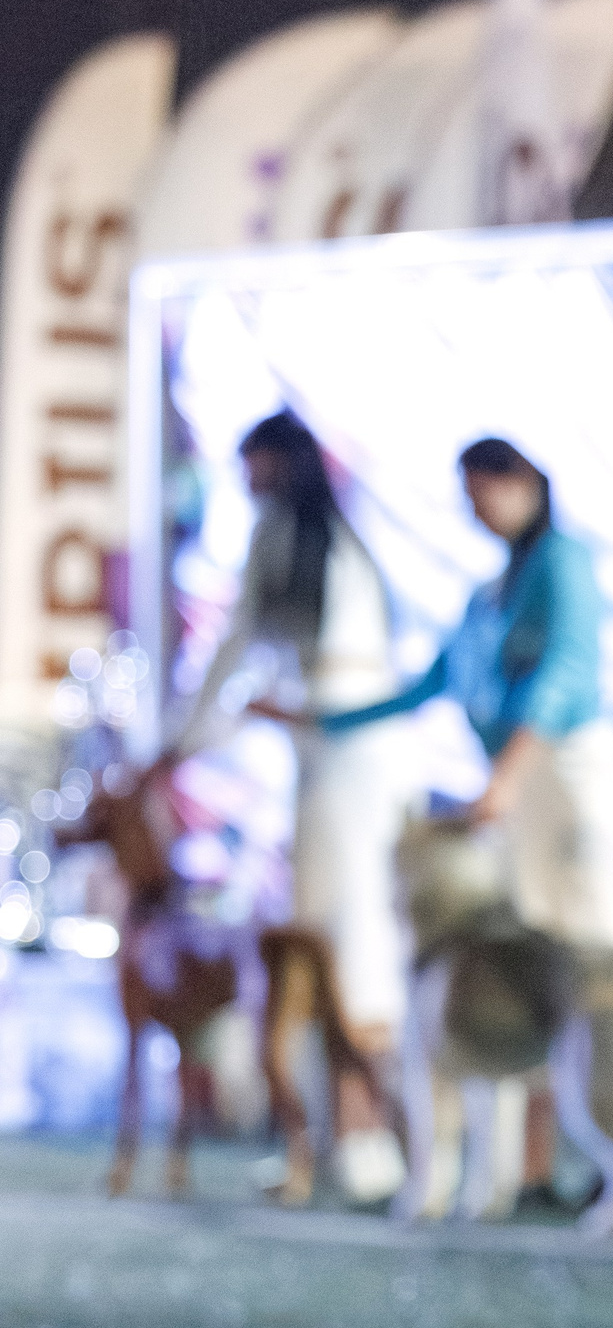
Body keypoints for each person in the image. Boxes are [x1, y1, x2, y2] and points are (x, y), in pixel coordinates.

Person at [176, 408, 408, 1202]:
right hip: (339, 763)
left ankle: (366, 1136)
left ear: (278, 465)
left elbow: (238, 645)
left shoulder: (298, 538)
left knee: (345, 948)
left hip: (342, 763)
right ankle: (347, 1138)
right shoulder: (328, 539)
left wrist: (181, 742)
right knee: (337, 945)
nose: (244, 483)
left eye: (252, 465)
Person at [317, 437, 613, 950]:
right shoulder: (486, 597)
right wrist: (319, 719)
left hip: (563, 763)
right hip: (514, 776)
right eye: (470, 499)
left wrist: (510, 773)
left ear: (524, 483)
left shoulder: (563, 560)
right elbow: (423, 688)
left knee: (592, 919)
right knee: (536, 920)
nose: (479, 510)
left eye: (485, 492)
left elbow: (565, 668)